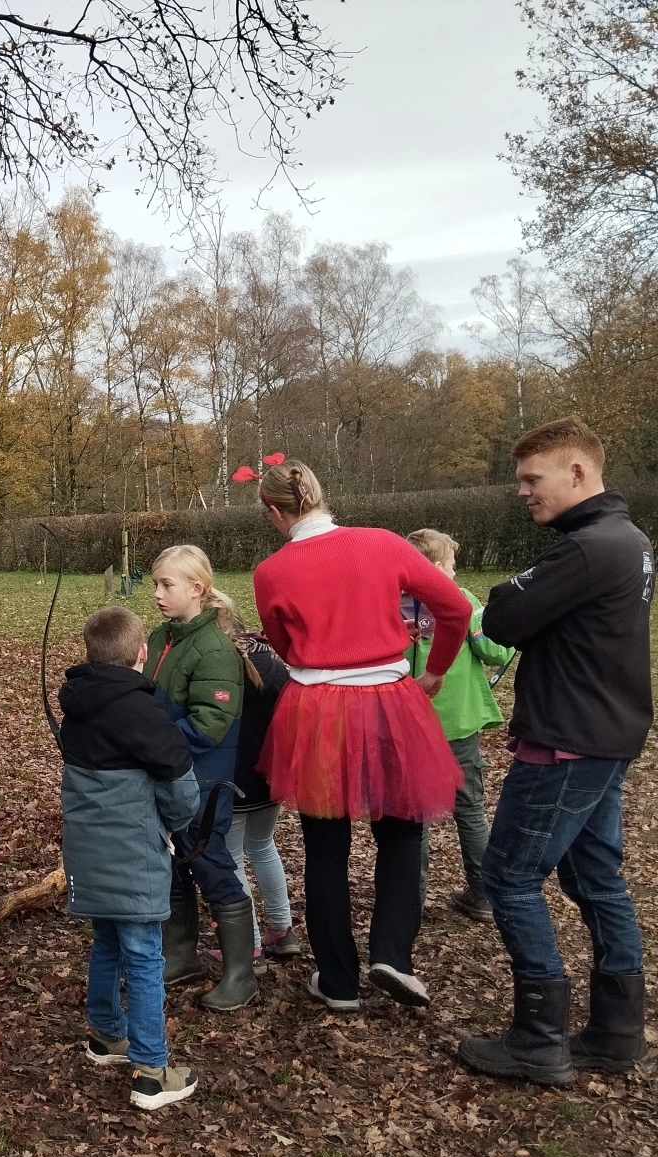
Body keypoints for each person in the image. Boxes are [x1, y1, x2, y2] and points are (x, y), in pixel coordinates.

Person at [458, 418, 652, 1085]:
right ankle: (618, 1031)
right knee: (596, 879)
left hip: (566, 743)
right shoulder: (629, 540)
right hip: (605, 735)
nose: (522, 492)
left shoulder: (589, 548)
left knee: (509, 878)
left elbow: (504, 616)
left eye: (531, 478)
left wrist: (509, 591)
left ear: (577, 472)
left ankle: (538, 1040)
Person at [252, 461, 471, 1012]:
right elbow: (456, 606)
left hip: (318, 710)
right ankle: (393, 954)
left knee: (325, 849)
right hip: (391, 703)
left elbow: (283, 643)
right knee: (401, 832)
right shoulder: (383, 543)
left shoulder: (272, 572)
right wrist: (437, 669)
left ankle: (338, 980)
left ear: (275, 512)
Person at [58, 605, 203, 1110]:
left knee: (108, 940)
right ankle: (150, 1069)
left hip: (86, 853)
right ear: (142, 654)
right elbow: (181, 792)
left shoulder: (76, 705)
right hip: (133, 853)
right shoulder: (144, 711)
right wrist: (174, 827)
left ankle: (105, 1034)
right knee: (143, 954)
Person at [146, 545, 256, 1011]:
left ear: (197, 589)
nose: (157, 594)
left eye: (166, 585)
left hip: (204, 784)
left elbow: (210, 723)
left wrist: (149, 744)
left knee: (210, 865)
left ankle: (240, 974)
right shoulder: (160, 636)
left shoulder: (213, 648)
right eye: (155, 584)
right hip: (166, 778)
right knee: (171, 862)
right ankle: (181, 955)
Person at [402, 529, 513, 920]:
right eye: (451, 565)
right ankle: (483, 894)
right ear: (434, 569)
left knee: (415, 813)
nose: (455, 572)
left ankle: (408, 902)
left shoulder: (388, 606)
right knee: (469, 807)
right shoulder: (462, 601)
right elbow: (495, 651)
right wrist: (510, 632)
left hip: (406, 725)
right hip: (457, 724)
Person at [221, 619, 301, 965]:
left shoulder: (224, 673)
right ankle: (283, 930)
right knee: (263, 846)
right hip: (272, 777)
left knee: (234, 856)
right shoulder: (274, 663)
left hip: (237, 779)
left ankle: (248, 944)